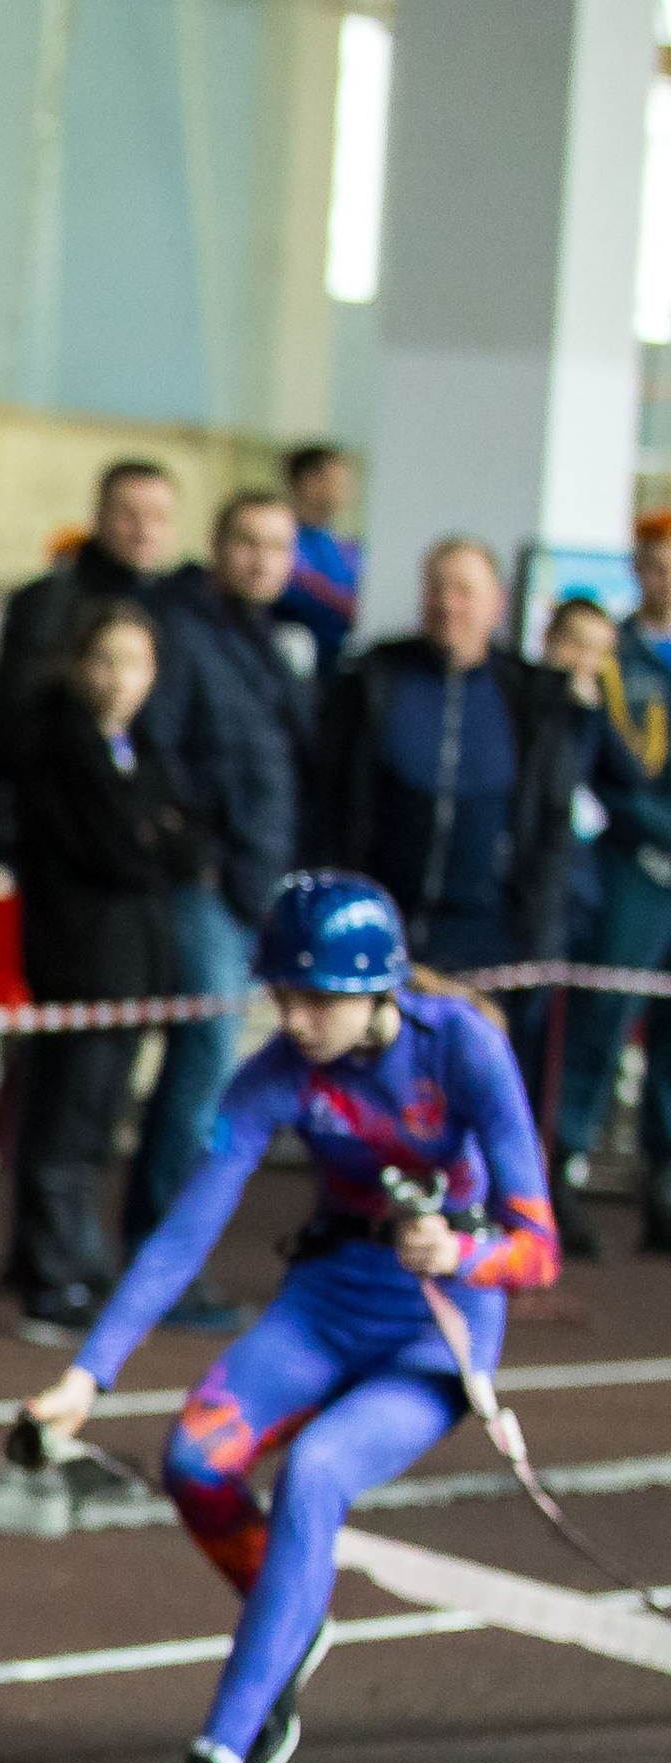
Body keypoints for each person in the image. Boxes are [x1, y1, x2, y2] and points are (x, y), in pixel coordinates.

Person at [22, 872, 559, 1763]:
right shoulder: (274, 1074)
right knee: (192, 1459)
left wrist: (463, 1251)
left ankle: (216, 1758)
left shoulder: (465, 1046)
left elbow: (538, 1246)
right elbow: (183, 1232)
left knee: (315, 1477)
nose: (296, 1018)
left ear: (379, 989)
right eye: (284, 995)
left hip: (432, 1330)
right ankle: (291, 1617)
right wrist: (86, 1375)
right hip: (326, 1299)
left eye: (318, 998)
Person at [126, 489, 317, 1300]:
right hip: (207, 883)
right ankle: (160, 1255)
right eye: (247, 541)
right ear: (217, 543)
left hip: (260, 884)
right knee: (203, 1066)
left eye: (278, 546)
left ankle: (166, 1251)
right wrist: (199, 857)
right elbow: (161, 752)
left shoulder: (278, 643)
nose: (261, 560)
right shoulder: (181, 630)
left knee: (213, 1068)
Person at [7, 599, 197, 1342]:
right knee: (68, 1117)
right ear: (79, 665)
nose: (120, 679)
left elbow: (181, 843)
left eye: (136, 663)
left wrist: (158, 837)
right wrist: (152, 837)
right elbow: (120, 848)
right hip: (81, 961)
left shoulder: (142, 750)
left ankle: (65, 1258)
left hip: (134, 962)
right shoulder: (61, 747)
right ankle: (54, 1275)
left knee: (93, 1119)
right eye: (106, 660)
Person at [310, 537, 581, 974]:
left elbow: (551, 823)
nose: (447, 604)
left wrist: (538, 934)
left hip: (488, 936)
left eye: (464, 591)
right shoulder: (372, 679)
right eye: (436, 589)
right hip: (378, 922)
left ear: (497, 603)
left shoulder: (532, 698)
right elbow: (329, 798)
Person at [554, 523, 671, 1256]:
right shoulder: (612, 658)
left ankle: (664, 1185)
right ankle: (559, 1169)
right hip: (635, 868)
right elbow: (597, 770)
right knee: (601, 1022)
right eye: (655, 566)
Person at [0, 459, 177, 771]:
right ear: (98, 516)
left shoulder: (170, 608)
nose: (145, 530)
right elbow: (19, 724)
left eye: (158, 517)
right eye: (129, 515)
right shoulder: (48, 602)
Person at [278, 444, 362, 672]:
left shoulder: (349, 550)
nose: (349, 491)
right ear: (310, 483)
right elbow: (305, 589)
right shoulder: (280, 542)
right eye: (340, 481)